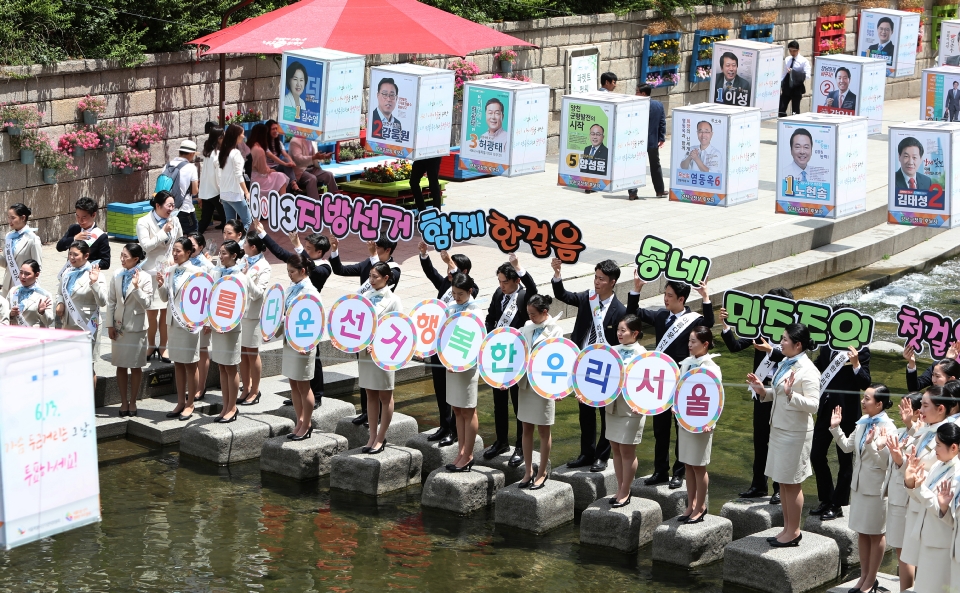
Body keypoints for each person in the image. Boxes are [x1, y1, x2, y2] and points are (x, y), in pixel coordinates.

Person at [630, 273, 713, 488]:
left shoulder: (693, 321)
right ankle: (660, 470)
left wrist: (705, 297)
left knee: (680, 428)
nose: (665, 299)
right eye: (665, 294)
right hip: (660, 382)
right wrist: (636, 290)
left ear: (681, 299)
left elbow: (709, 324)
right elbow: (635, 313)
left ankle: (679, 472)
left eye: (669, 295)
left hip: (683, 381)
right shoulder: (660, 316)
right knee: (660, 428)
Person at [746, 323, 822, 547]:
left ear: (798, 344)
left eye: (785, 339)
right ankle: (787, 528)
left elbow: (814, 405)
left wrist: (791, 395)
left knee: (793, 482)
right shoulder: (785, 363)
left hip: (795, 433)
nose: (781, 342)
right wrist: (762, 390)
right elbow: (779, 393)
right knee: (783, 482)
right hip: (780, 429)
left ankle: (794, 531)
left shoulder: (808, 370)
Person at [552, 257, 626, 471]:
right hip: (583, 364)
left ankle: (602, 456)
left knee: (605, 413)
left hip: (605, 368)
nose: (596, 282)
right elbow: (563, 295)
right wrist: (557, 275)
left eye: (601, 279)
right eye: (595, 277)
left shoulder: (619, 311)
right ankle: (586, 453)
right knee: (585, 411)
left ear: (612, 282)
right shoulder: (587, 298)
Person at [720, 288, 791, 502]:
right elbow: (734, 347)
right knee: (760, 439)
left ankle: (780, 488)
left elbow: (798, 357)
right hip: (760, 390)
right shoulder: (758, 329)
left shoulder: (793, 334)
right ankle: (758, 485)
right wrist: (726, 326)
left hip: (783, 391)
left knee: (780, 439)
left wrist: (771, 350)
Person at [253, 220, 330, 407]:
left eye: (308, 248)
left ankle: (316, 395)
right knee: (296, 373)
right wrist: (263, 234)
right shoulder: (302, 264)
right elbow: (281, 253)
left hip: (309, 317)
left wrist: (296, 246)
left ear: (319, 252)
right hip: (293, 318)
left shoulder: (324, 267)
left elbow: (310, 267)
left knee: (315, 358)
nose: (304, 249)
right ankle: (300, 396)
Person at [828, 384, 896, 593]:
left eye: (867, 399)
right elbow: (848, 446)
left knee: (876, 534)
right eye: (863, 398)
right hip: (858, 487)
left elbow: (887, 463)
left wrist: (871, 445)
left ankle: (870, 579)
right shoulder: (863, 423)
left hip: (876, 490)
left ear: (879, 403)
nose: (862, 401)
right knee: (862, 533)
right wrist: (835, 428)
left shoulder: (889, 428)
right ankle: (863, 577)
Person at [330, 235, 401, 426]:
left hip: (382, 339)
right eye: (370, 276)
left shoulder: (394, 269)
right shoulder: (368, 265)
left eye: (377, 248)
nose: (371, 279)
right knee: (366, 379)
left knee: (382, 385)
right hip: (362, 334)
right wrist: (335, 250)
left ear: (387, 250)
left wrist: (373, 258)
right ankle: (366, 412)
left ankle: (379, 418)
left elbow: (389, 282)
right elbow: (340, 270)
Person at [418, 239, 475, 446]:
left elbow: (471, 291)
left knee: (453, 392)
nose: (450, 274)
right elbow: (431, 272)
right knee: (439, 386)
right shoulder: (447, 284)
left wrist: (450, 261)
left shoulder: (469, 288)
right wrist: (424, 254)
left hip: (455, 349)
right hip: (437, 344)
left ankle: (453, 430)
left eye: (454, 269)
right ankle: (443, 425)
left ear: (465, 272)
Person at [482, 254, 537, 465]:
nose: (502, 285)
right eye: (499, 281)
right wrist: (489, 334)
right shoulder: (498, 294)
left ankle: (521, 447)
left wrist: (518, 267)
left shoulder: (524, 297)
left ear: (516, 281)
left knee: (518, 404)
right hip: (498, 356)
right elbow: (490, 318)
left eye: (506, 282)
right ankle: (501, 441)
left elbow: (533, 289)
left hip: (516, 357)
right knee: (498, 402)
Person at [810, 339, 872, 521]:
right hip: (825, 409)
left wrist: (855, 363)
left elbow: (865, 382)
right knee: (816, 454)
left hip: (847, 411)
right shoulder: (826, 345)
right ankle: (826, 498)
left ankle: (838, 504)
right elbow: (817, 368)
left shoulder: (860, 349)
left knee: (845, 460)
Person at [897, 385, 952, 580]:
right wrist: (900, 459)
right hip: (916, 502)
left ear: (941, 409)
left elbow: (942, 473)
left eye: (925, 405)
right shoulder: (926, 430)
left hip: (933, 507)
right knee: (911, 558)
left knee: (929, 569)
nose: (920, 410)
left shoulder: (947, 437)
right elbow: (916, 465)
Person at [904, 422, 960, 593]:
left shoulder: (956, 474)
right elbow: (922, 499)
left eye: (938, 445)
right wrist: (911, 482)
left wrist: (920, 489)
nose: (934, 449)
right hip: (927, 538)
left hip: (941, 544)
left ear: (954, 448)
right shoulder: (938, 465)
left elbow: (945, 514)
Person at [517, 294, 563, 490]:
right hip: (526, 385)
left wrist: (560, 388)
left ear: (545, 312)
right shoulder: (526, 328)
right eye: (529, 313)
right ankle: (528, 471)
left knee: (544, 430)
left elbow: (562, 360)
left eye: (534, 314)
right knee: (526, 428)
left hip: (545, 386)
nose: (531, 317)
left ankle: (542, 471)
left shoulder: (556, 330)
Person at [677, 326, 722, 523]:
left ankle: (701, 506)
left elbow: (717, 397)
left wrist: (712, 421)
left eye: (693, 342)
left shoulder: (712, 367)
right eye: (689, 341)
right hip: (685, 419)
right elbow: (680, 390)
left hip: (703, 422)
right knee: (687, 463)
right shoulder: (686, 364)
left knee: (699, 466)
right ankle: (691, 504)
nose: (689, 345)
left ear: (705, 344)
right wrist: (676, 407)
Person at [359, 262, 402, 454]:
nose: (371, 280)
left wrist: (376, 343)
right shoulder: (364, 296)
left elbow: (396, 327)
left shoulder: (394, 300)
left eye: (375, 277)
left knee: (385, 395)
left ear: (386, 278)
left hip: (384, 353)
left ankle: (381, 437)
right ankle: (371, 435)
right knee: (370, 393)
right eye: (370, 276)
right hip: (365, 353)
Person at [156, 237, 201, 421]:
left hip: (189, 324)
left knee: (190, 364)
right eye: (173, 250)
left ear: (189, 253)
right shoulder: (170, 270)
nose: (174, 254)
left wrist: (199, 322)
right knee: (178, 364)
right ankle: (180, 401)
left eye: (179, 251)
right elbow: (166, 298)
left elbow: (202, 299)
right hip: (173, 323)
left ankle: (191, 403)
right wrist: (160, 285)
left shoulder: (197, 272)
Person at [106, 244, 153, 418]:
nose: (122, 259)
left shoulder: (146, 277)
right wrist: (110, 325)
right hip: (119, 326)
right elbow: (111, 301)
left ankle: (133, 400)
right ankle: (123, 401)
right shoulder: (117, 274)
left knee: (135, 366)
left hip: (137, 328)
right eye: (121, 255)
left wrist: (136, 287)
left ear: (136, 259)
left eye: (126, 256)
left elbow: (147, 303)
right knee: (120, 364)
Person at [883, 392, 923, 592]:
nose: (901, 412)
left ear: (917, 411)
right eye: (900, 408)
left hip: (908, 499)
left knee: (906, 551)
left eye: (906, 409)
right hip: (896, 496)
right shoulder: (900, 432)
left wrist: (910, 425)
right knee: (902, 550)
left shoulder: (922, 434)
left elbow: (915, 463)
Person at [136, 190, 182, 363]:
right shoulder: (143, 222)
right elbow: (146, 246)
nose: (171, 209)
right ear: (158, 206)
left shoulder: (175, 220)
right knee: (151, 314)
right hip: (150, 273)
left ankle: (164, 347)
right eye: (168, 205)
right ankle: (150, 345)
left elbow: (180, 241)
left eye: (173, 205)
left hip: (168, 272)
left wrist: (175, 258)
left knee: (165, 313)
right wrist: (163, 232)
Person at [280, 253, 322, 441]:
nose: (289, 275)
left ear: (303, 271)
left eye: (292, 271)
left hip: (303, 343)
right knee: (293, 383)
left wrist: (308, 342)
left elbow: (318, 319)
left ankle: (307, 423)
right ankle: (299, 420)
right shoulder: (292, 287)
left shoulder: (310, 291)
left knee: (304, 385)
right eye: (288, 271)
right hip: (290, 340)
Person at [607, 314, 647, 506]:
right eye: (618, 330)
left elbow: (651, 384)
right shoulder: (612, 350)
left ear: (635, 333)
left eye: (623, 330)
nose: (619, 334)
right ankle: (620, 487)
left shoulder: (643, 354)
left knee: (627, 449)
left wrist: (643, 404)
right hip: (612, 405)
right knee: (615, 448)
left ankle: (626, 491)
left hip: (632, 406)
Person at [444, 273, 482, 472]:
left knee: (468, 409)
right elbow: (444, 335)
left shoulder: (476, 311)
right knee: (457, 409)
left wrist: (461, 363)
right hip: (451, 364)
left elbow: (477, 341)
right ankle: (460, 451)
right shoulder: (450, 308)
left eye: (460, 294)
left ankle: (468, 454)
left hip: (467, 366)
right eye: (453, 293)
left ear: (470, 291)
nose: (456, 298)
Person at [55, 241, 106, 387]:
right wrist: (60, 302)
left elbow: (102, 302)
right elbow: (60, 292)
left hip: (87, 326)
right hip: (68, 325)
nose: (71, 257)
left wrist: (94, 283)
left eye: (75, 254)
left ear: (86, 255)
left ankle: (88, 403)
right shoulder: (67, 272)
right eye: (70, 254)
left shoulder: (95, 274)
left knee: (87, 366)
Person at [209, 241, 246, 423]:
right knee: (222, 366)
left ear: (234, 256)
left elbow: (241, 306)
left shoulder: (240, 277)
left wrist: (227, 324)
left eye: (224, 253)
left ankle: (232, 407)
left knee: (230, 366)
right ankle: (225, 405)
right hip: (217, 326)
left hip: (230, 329)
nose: (220, 256)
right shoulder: (216, 272)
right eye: (220, 252)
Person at [238, 234, 271, 406]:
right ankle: (245, 387)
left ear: (253, 247)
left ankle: (255, 390)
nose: (242, 245)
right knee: (242, 352)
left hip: (253, 315)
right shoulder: (243, 259)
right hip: (239, 312)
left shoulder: (264, 266)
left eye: (245, 243)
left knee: (252, 352)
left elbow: (259, 293)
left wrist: (245, 277)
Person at [186, 233, 215, 400]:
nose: (190, 248)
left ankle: (201, 386)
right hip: (186, 314)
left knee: (202, 349)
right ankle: (191, 384)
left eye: (193, 245)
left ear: (201, 247)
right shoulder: (184, 261)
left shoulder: (207, 266)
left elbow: (211, 293)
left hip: (202, 314)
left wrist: (208, 319)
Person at [56, 196, 110, 269]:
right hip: (70, 271)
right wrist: (74, 239)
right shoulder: (74, 229)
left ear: (93, 215)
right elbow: (59, 247)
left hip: (88, 274)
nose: (80, 220)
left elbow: (106, 262)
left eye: (84, 217)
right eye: (77, 216)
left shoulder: (101, 236)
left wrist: (83, 263)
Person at [632, 84, 667, 200]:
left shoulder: (634, 106)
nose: (635, 94)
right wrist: (661, 138)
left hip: (636, 141)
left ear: (643, 94)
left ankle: (632, 192)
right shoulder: (658, 105)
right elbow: (662, 123)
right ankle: (660, 190)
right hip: (652, 141)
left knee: (635, 166)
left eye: (637, 92)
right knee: (655, 165)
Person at [217, 124, 253, 229]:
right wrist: (246, 192)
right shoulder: (235, 153)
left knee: (230, 223)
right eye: (242, 134)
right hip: (235, 193)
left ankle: (229, 244)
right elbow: (239, 175)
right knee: (247, 221)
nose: (244, 136)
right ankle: (240, 243)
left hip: (224, 193)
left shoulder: (223, 152)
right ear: (236, 135)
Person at [2, 203, 42, 298]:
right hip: (7, 286)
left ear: (23, 218)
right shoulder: (9, 236)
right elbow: (6, 263)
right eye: (8, 217)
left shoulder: (33, 239)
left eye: (13, 218)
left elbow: (38, 266)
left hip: (23, 286)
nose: (9, 221)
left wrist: (33, 290)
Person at [162, 139, 200, 235]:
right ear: (191, 154)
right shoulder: (191, 167)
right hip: (184, 208)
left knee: (172, 235)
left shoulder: (167, 166)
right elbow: (195, 191)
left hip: (167, 208)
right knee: (192, 234)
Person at [8, 260, 53, 328]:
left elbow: (49, 321)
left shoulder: (44, 295)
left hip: (33, 335)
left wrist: (42, 312)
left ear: (37, 275)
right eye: (21, 272)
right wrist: (10, 313)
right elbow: (3, 311)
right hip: (13, 333)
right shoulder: (13, 290)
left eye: (27, 274)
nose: (22, 276)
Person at [247, 123, 290, 196]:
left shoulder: (250, 145)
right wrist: (270, 170)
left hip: (252, 176)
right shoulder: (259, 150)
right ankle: (282, 201)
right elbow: (262, 170)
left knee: (278, 175)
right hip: (257, 179)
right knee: (281, 177)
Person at [197, 125, 225, 234]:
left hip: (207, 191)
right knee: (227, 219)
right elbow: (219, 175)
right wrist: (223, 191)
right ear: (219, 138)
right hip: (217, 191)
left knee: (205, 220)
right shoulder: (217, 154)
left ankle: (192, 240)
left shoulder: (208, 153)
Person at [779, 40, 810, 117]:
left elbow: (807, 75)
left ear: (798, 50)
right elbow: (784, 73)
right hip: (786, 87)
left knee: (795, 110)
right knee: (781, 109)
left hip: (796, 87)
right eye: (790, 51)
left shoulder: (803, 61)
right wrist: (780, 83)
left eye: (794, 51)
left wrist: (794, 73)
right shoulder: (787, 59)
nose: (792, 53)